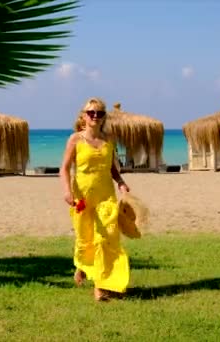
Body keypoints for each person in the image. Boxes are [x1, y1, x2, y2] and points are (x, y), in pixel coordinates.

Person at [60, 97, 131, 302]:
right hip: (81, 197)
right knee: (85, 239)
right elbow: (64, 169)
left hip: (106, 197)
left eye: (99, 113)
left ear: (103, 117)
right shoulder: (75, 139)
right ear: (83, 116)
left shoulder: (109, 140)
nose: (95, 116)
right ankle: (82, 267)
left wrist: (120, 182)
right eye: (91, 112)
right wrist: (67, 191)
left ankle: (101, 287)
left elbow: (111, 169)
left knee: (106, 238)